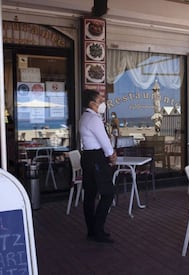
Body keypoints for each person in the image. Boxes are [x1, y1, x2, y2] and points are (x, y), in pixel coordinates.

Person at [79, 89, 117, 243]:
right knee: (108, 193)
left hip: (87, 157)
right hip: (96, 158)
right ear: (91, 103)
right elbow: (104, 141)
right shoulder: (93, 119)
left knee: (90, 195)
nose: (103, 102)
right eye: (100, 100)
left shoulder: (85, 117)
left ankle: (92, 230)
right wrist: (111, 156)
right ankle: (98, 230)